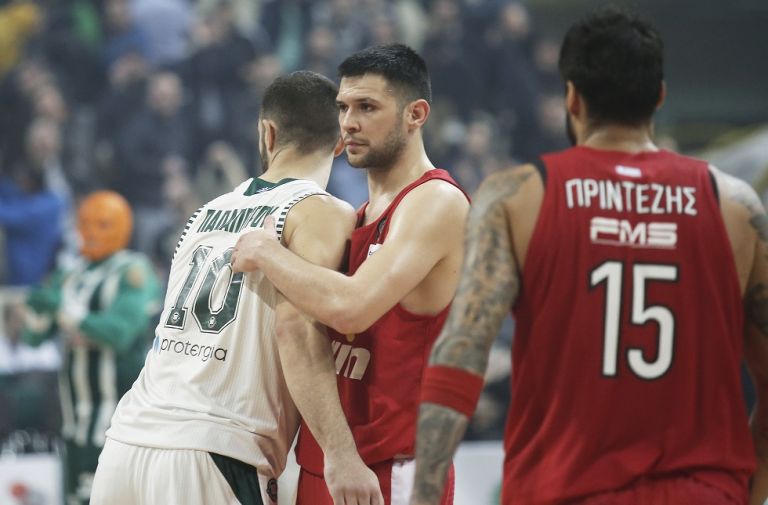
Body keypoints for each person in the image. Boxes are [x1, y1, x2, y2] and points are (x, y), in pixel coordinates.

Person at [409, 7, 767, 505]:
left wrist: (425, 496)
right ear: (659, 97)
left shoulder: (518, 196)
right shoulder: (736, 207)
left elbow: (461, 354)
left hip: (561, 489)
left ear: (572, 98)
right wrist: (746, 490)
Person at [91, 70, 383, 505]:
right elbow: (297, 331)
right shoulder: (320, 211)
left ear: (267, 133)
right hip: (214, 449)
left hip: (126, 443)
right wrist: (341, 454)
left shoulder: (205, 212)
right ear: (339, 143)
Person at [231, 43, 470, 505]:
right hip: (330, 459)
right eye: (343, 107)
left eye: (367, 107)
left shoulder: (436, 201)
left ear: (416, 114)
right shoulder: (360, 214)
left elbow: (352, 308)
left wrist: (266, 252)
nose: (349, 122)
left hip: (391, 468)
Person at [21, 190, 162, 505]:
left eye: (102, 224)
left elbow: (119, 333)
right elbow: (33, 338)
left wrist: (64, 311)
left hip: (120, 418)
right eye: (84, 223)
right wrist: (37, 309)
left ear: (122, 226)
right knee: (76, 497)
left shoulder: (133, 269)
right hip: (74, 416)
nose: (91, 232)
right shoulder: (70, 273)